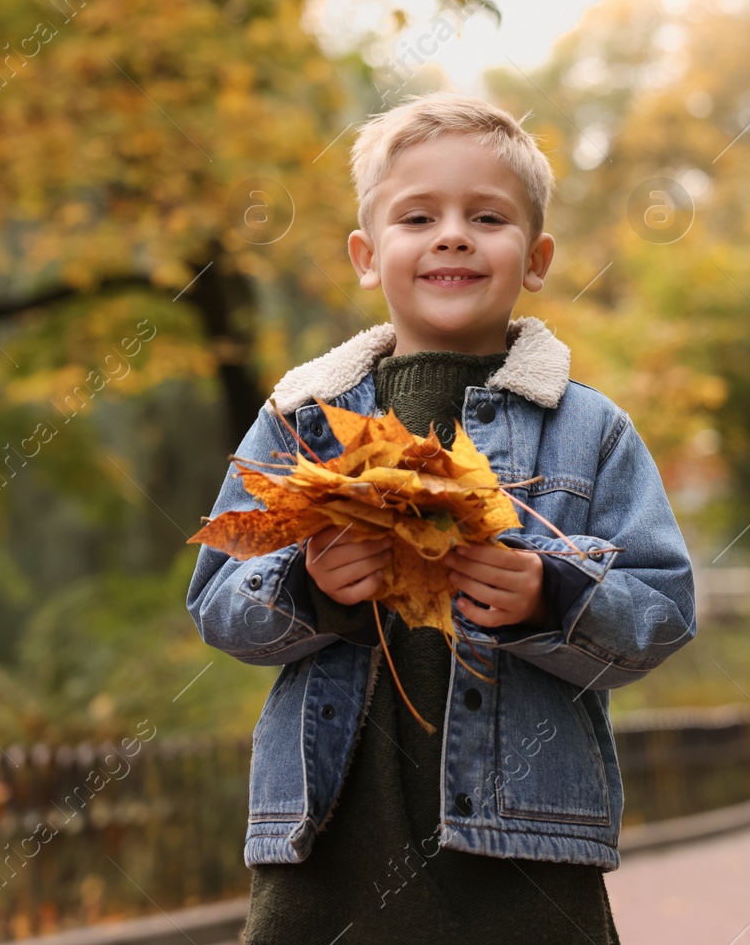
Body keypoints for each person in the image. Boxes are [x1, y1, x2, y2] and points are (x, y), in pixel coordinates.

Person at [185, 92, 696, 944]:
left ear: (535, 258)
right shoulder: (298, 418)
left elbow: (664, 608)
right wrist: (305, 589)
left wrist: (553, 595)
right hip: (328, 849)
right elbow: (216, 602)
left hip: (522, 857)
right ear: (366, 254)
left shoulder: (587, 427)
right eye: (418, 215)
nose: (452, 235)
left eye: (486, 216)